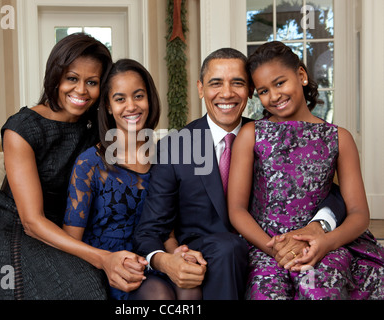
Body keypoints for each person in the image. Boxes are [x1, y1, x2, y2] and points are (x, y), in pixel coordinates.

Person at [133, 48, 347, 300]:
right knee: (227, 247)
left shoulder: (270, 134)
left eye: (238, 83)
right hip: (211, 255)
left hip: (272, 248)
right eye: (216, 84)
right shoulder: (176, 146)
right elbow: (149, 230)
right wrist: (166, 260)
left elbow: (326, 188)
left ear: (250, 91)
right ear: (201, 89)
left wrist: (320, 224)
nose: (227, 93)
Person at [0, 33, 113, 300]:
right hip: (8, 225)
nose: (81, 90)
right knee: (81, 289)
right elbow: (32, 221)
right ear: (55, 76)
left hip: (59, 228)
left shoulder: (94, 128)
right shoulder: (22, 128)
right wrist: (102, 258)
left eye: (92, 82)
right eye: (72, 78)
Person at [228, 41, 384, 300]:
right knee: (267, 292)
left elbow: (359, 214)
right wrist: (276, 249)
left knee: (320, 287)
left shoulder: (339, 138)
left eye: (280, 83)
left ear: (301, 75)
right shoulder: (251, 135)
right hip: (267, 246)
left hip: (323, 245)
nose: (274, 96)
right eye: (264, 91)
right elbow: (236, 210)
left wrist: (325, 243)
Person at [62, 59, 161, 300]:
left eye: (138, 96)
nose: (131, 106)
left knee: (189, 290)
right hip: (106, 267)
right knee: (159, 295)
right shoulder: (90, 163)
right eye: (120, 99)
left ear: (150, 99)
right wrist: (106, 262)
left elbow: (169, 227)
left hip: (152, 258)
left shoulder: (165, 157)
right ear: (107, 105)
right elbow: (71, 241)